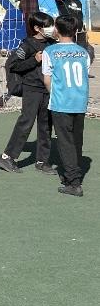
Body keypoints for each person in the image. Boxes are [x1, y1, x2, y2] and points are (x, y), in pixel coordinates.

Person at [0, 11, 57, 175]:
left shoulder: (52, 43)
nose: (51, 28)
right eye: (47, 26)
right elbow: (13, 65)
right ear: (37, 28)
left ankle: (42, 161)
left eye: (52, 25)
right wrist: (34, 60)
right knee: (26, 123)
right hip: (32, 88)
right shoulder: (27, 44)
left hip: (48, 89)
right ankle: (7, 156)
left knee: (46, 125)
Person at [43, 15, 90, 197]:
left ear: (56, 29)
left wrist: (54, 93)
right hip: (80, 101)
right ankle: (74, 173)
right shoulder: (83, 52)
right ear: (75, 30)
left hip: (61, 102)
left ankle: (73, 182)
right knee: (77, 140)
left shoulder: (50, 51)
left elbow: (47, 79)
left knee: (65, 142)